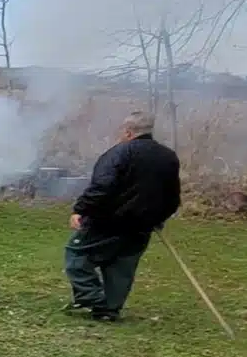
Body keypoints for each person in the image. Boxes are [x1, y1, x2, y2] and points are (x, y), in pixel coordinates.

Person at [64, 111, 181, 322]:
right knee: (122, 267)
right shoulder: (168, 156)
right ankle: (109, 311)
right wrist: (159, 217)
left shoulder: (119, 153)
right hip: (142, 226)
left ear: (128, 132)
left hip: (109, 222)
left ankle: (91, 299)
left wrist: (80, 209)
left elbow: (101, 187)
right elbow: (172, 196)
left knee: (76, 256)